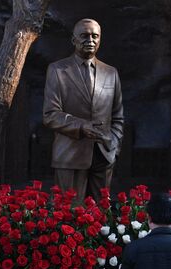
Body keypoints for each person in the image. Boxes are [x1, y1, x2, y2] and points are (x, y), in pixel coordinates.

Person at [43, 18, 124, 203]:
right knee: (68, 217)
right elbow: (50, 115)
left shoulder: (111, 73)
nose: (91, 40)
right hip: (69, 156)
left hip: (104, 156)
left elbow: (118, 116)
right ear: (73, 40)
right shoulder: (57, 70)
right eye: (84, 36)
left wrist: (114, 145)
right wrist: (83, 126)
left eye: (95, 36)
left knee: (101, 218)